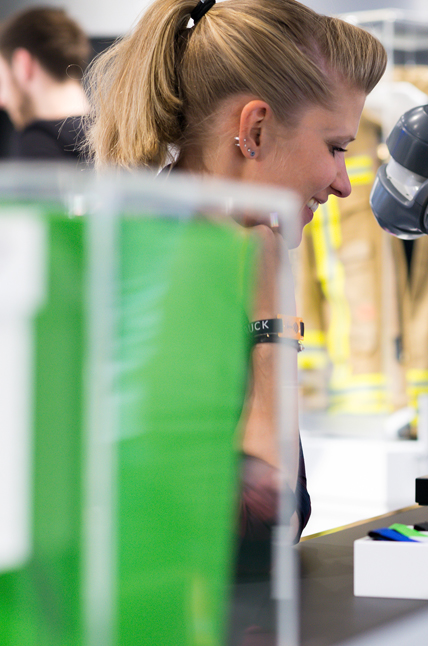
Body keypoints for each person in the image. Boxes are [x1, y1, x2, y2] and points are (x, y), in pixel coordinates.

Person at [83, 0, 386, 565]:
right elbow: (261, 529)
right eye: (336, 148)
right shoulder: (151, 278)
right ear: (256, 128)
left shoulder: (209, 257)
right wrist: (273, 320)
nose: (344, 183)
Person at [0, 7, 91, 160]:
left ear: (23, 65)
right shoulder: (119, 137)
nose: (2, 101)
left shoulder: (35, 142)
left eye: (2, 83)